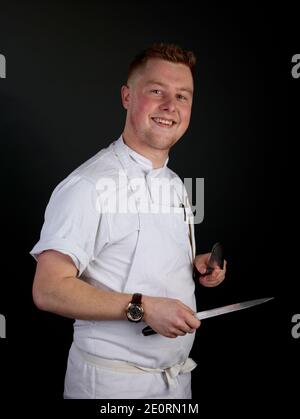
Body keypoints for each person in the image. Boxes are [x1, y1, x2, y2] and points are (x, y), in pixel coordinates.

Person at [30, 43, 226, 399]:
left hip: (176, 382)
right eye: (156, 91)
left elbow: (144, 256)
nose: (171, 106)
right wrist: (144, 307)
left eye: (182, 96)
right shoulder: (87, 185)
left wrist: (194, 268)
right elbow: (48, 289)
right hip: (111, 386)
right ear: (126, 96)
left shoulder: (175, 184)